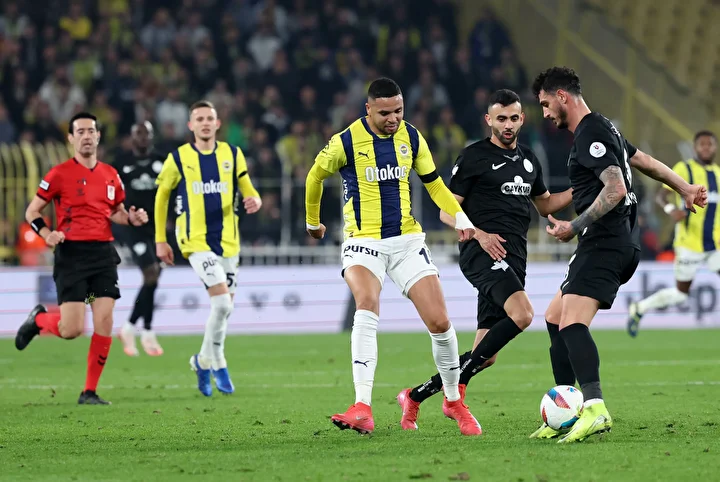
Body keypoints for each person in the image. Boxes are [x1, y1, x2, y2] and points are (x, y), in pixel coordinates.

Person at [532, 67, 707, 443]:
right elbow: (644, 162)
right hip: (613, 241)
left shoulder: (591, 132)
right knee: (554, 318)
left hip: (605, 241)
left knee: (571, 324)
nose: (544, 113)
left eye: (545, 104)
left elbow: (615, 189)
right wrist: (685, 188)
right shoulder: (605, 128)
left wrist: (573, 225)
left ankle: (594, 408)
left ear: (562, 96)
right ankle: (567, 411)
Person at [305, 77, 481, 436]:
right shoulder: (345, 141)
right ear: (368, 109)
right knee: (367, 303)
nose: (393, 118)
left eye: (398, 110)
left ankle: (453, 401)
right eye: (385, 112)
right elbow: (314, 177)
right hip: (362, 241)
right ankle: (362, 407)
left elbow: (435, 185)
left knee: (440, 322)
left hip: (406, 241)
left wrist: (461, 218)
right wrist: (313, 222)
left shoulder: (412, 137)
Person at [396, 89, 574, 430]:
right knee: (523, 313)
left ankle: (415, 396)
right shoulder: (474, 156)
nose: (507, 125)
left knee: (486, 356)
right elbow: (447, 210)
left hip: (514, 257)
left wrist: (581, 189)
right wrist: (478, 233)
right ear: (488, 120)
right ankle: (456, 393)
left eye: (513, 118)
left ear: (522, 119)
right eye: (501, 118)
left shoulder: (528, 159)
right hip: (481, 252)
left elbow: (546, 204)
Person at [15, 112, 149, 405]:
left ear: (98, 136)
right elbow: (32, 211)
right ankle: (39, 320)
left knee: (105, 321)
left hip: (103, 253)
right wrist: (46, 233)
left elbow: (116, 212)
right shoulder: (58, 174)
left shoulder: (111, 174)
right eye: (80, 132)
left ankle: (89, 391)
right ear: (71, 138)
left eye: (91, 131)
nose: (87, 136)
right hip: (72, 254)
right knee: (72, 330)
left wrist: (132, 218)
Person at [154, 100, 262, 397]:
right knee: (223, 304)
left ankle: (202, 361)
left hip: (229, 241)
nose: (204, 123)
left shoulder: (232, 154)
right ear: (191, 125)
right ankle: (218, 362)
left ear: (217, 123)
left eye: (209, 118)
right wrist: (160, 239)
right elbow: (161, 197)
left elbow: (247, 187)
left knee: (223, 309)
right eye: (199, 119)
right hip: (195, 240)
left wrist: (255, 199)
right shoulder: (178, 158)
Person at [627, 131, 720, 336]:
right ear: (695, 147)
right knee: (681, 294)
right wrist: (671, 210)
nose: (706, 148)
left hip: (715, 245)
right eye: (702, 144)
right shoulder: (684, 169)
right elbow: (661, 196)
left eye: (710, 144)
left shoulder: (718, 174)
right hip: (689, 244)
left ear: (715, 147)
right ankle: (640, 308)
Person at [114, 121, 166, 356]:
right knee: (151, 273)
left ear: (152, 137)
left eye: (146, 133)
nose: (143, 138)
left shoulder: (163, 162)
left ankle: (136, 328)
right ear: (132, 137)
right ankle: (144, 330)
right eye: (138, 134)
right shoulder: (121, 164)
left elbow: (174, 191)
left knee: (153, 278)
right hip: (133, 228)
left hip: (158, 229)